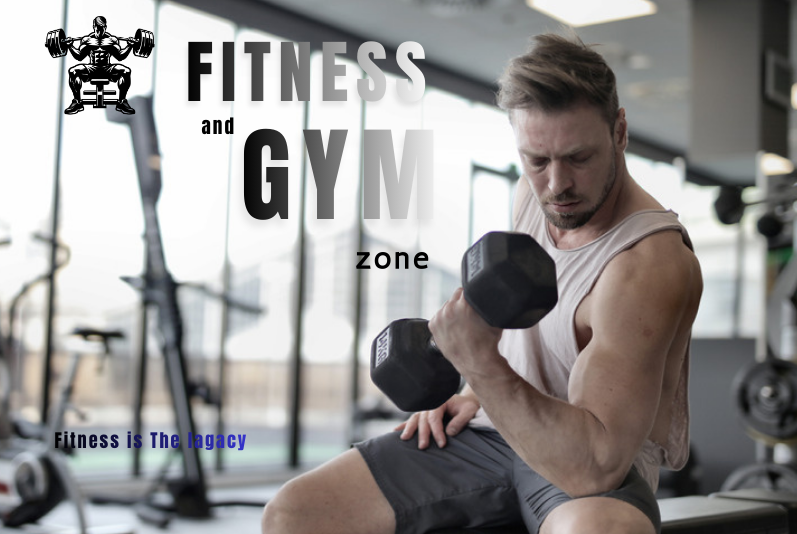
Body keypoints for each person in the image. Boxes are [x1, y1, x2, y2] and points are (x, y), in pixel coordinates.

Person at [261, 32, 702, 534]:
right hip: (494, 433)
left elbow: (594, 464)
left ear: (619, 131)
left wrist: (477, 363)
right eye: (537, 160)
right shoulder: (531, 197)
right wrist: (474, 393)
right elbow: (527, 341)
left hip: (581, 461)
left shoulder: (647, 264)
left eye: (579, 158)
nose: (557, 184)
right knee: (295, 513)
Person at [63, 16, 136, 115]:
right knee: (73, 71)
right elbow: (79, 56)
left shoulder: (112, 40)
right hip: (92, 68)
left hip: (107, 68)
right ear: (94, 26)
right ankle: (77, 102)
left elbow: (120, 56)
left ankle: (122, 101)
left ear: (105, 27)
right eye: (97, 27)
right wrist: (70, 46)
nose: (99, 30)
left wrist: (130, 45)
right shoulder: (87, 40)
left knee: (126, 71)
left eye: (102, 27)